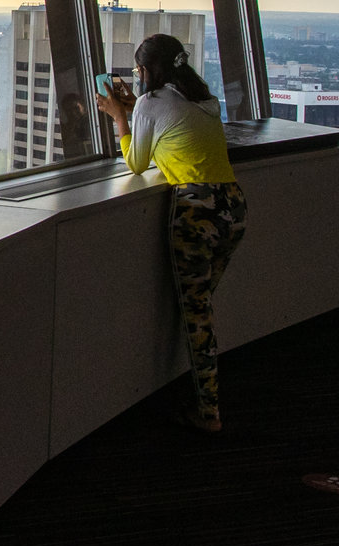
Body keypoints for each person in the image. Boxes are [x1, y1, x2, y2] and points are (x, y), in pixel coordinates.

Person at [97, 33, 244, 433]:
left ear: (147, 71)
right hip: (232, 205)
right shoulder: (205, 100)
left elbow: (136, 162)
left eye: (139, 69)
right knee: (200, 307)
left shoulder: (150, 104)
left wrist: (120, 118)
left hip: (196, 211)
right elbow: (173, 127)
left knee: (197, 317)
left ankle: (209, 412)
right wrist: (136, 110)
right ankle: (195, 389)